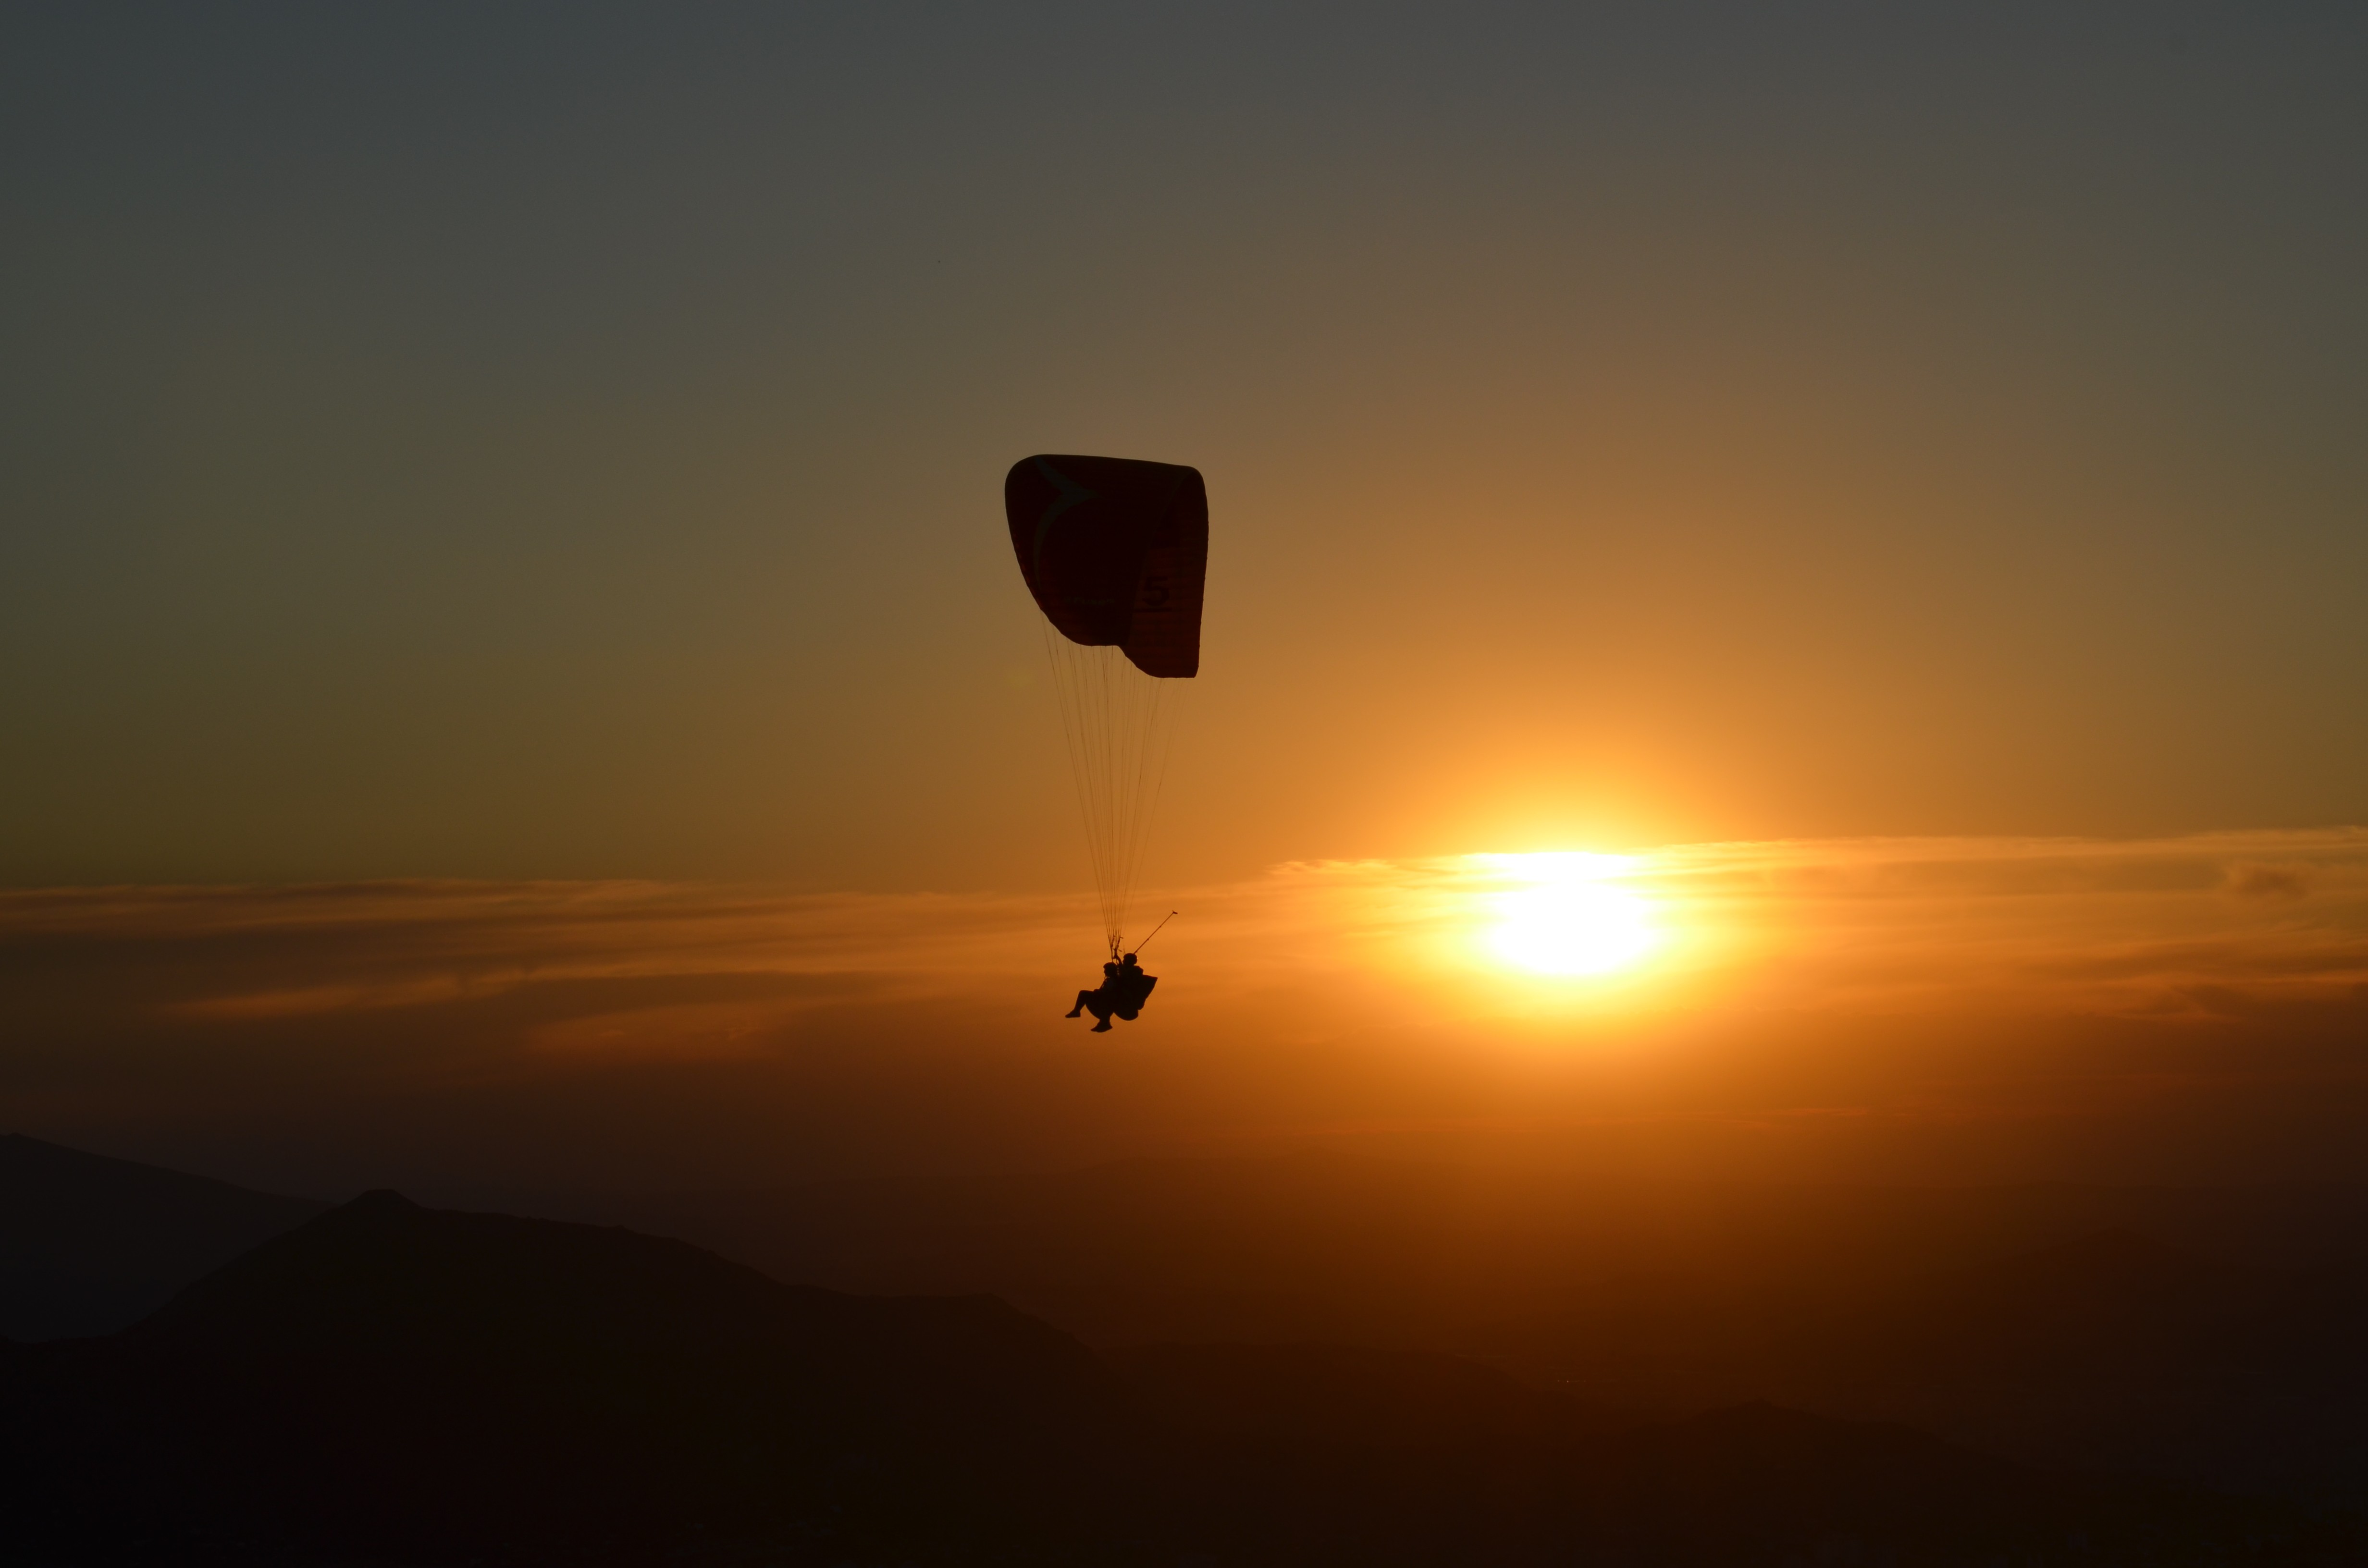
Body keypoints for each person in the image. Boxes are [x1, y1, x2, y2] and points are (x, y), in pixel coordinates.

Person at [1067, 959, 1122, 1031]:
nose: (1104, 972)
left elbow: (1107, 992)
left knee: (1084, 994)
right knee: (1084, 994)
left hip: (1105, 1007)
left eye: (1106, 970)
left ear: (1110, 971)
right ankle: (1077, 1012)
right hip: (1103, 1006)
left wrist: (1097, 992)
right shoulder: (1111, 980)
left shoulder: (1114, 980)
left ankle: (1104, 1022)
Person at [1108, 953, 1158, 1020]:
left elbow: (1130, 980)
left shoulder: (1136, 971)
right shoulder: (1128, 970)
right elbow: (1123, 972)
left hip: (1131, 993)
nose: (1123, 961)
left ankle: (1105, 1020)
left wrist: (1122, 982)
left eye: (1125, 960)